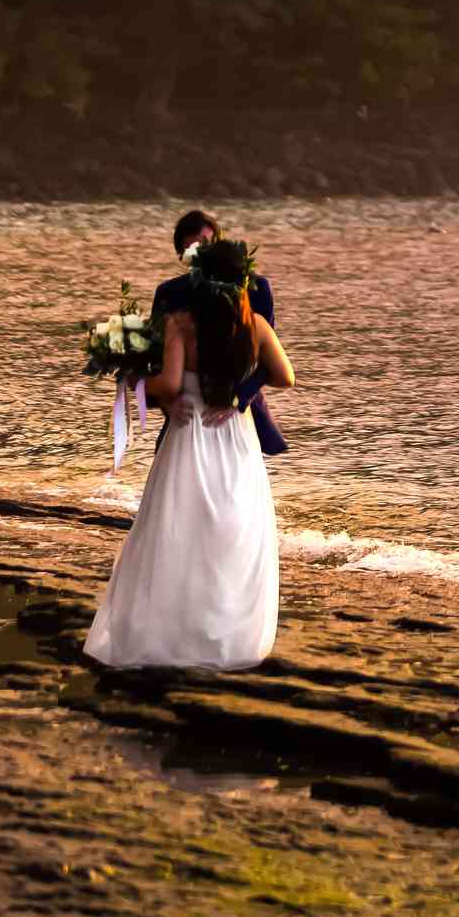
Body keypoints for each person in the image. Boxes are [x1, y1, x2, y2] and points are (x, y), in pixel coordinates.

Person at [86, 237, 302, 671]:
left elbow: (166, 385)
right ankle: (224, 636)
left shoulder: (182, 323)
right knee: (228, 534)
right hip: (234, 439)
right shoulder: (256, 325)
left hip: (190, 437)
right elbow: (285, 377)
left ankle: (171, 634)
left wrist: (132, 379)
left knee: (177, 532)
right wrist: (239, 398)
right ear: (244, 279)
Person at [161, 211, 287, 457]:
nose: (201, 255)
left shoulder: (257, 289)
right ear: (181, 256)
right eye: (193, 250)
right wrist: (166, 402)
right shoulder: (170, 293)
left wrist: (239, 398)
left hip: (239, 408)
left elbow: (267, 359)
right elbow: (152, 360)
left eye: (207, 246)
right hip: (185, 416)